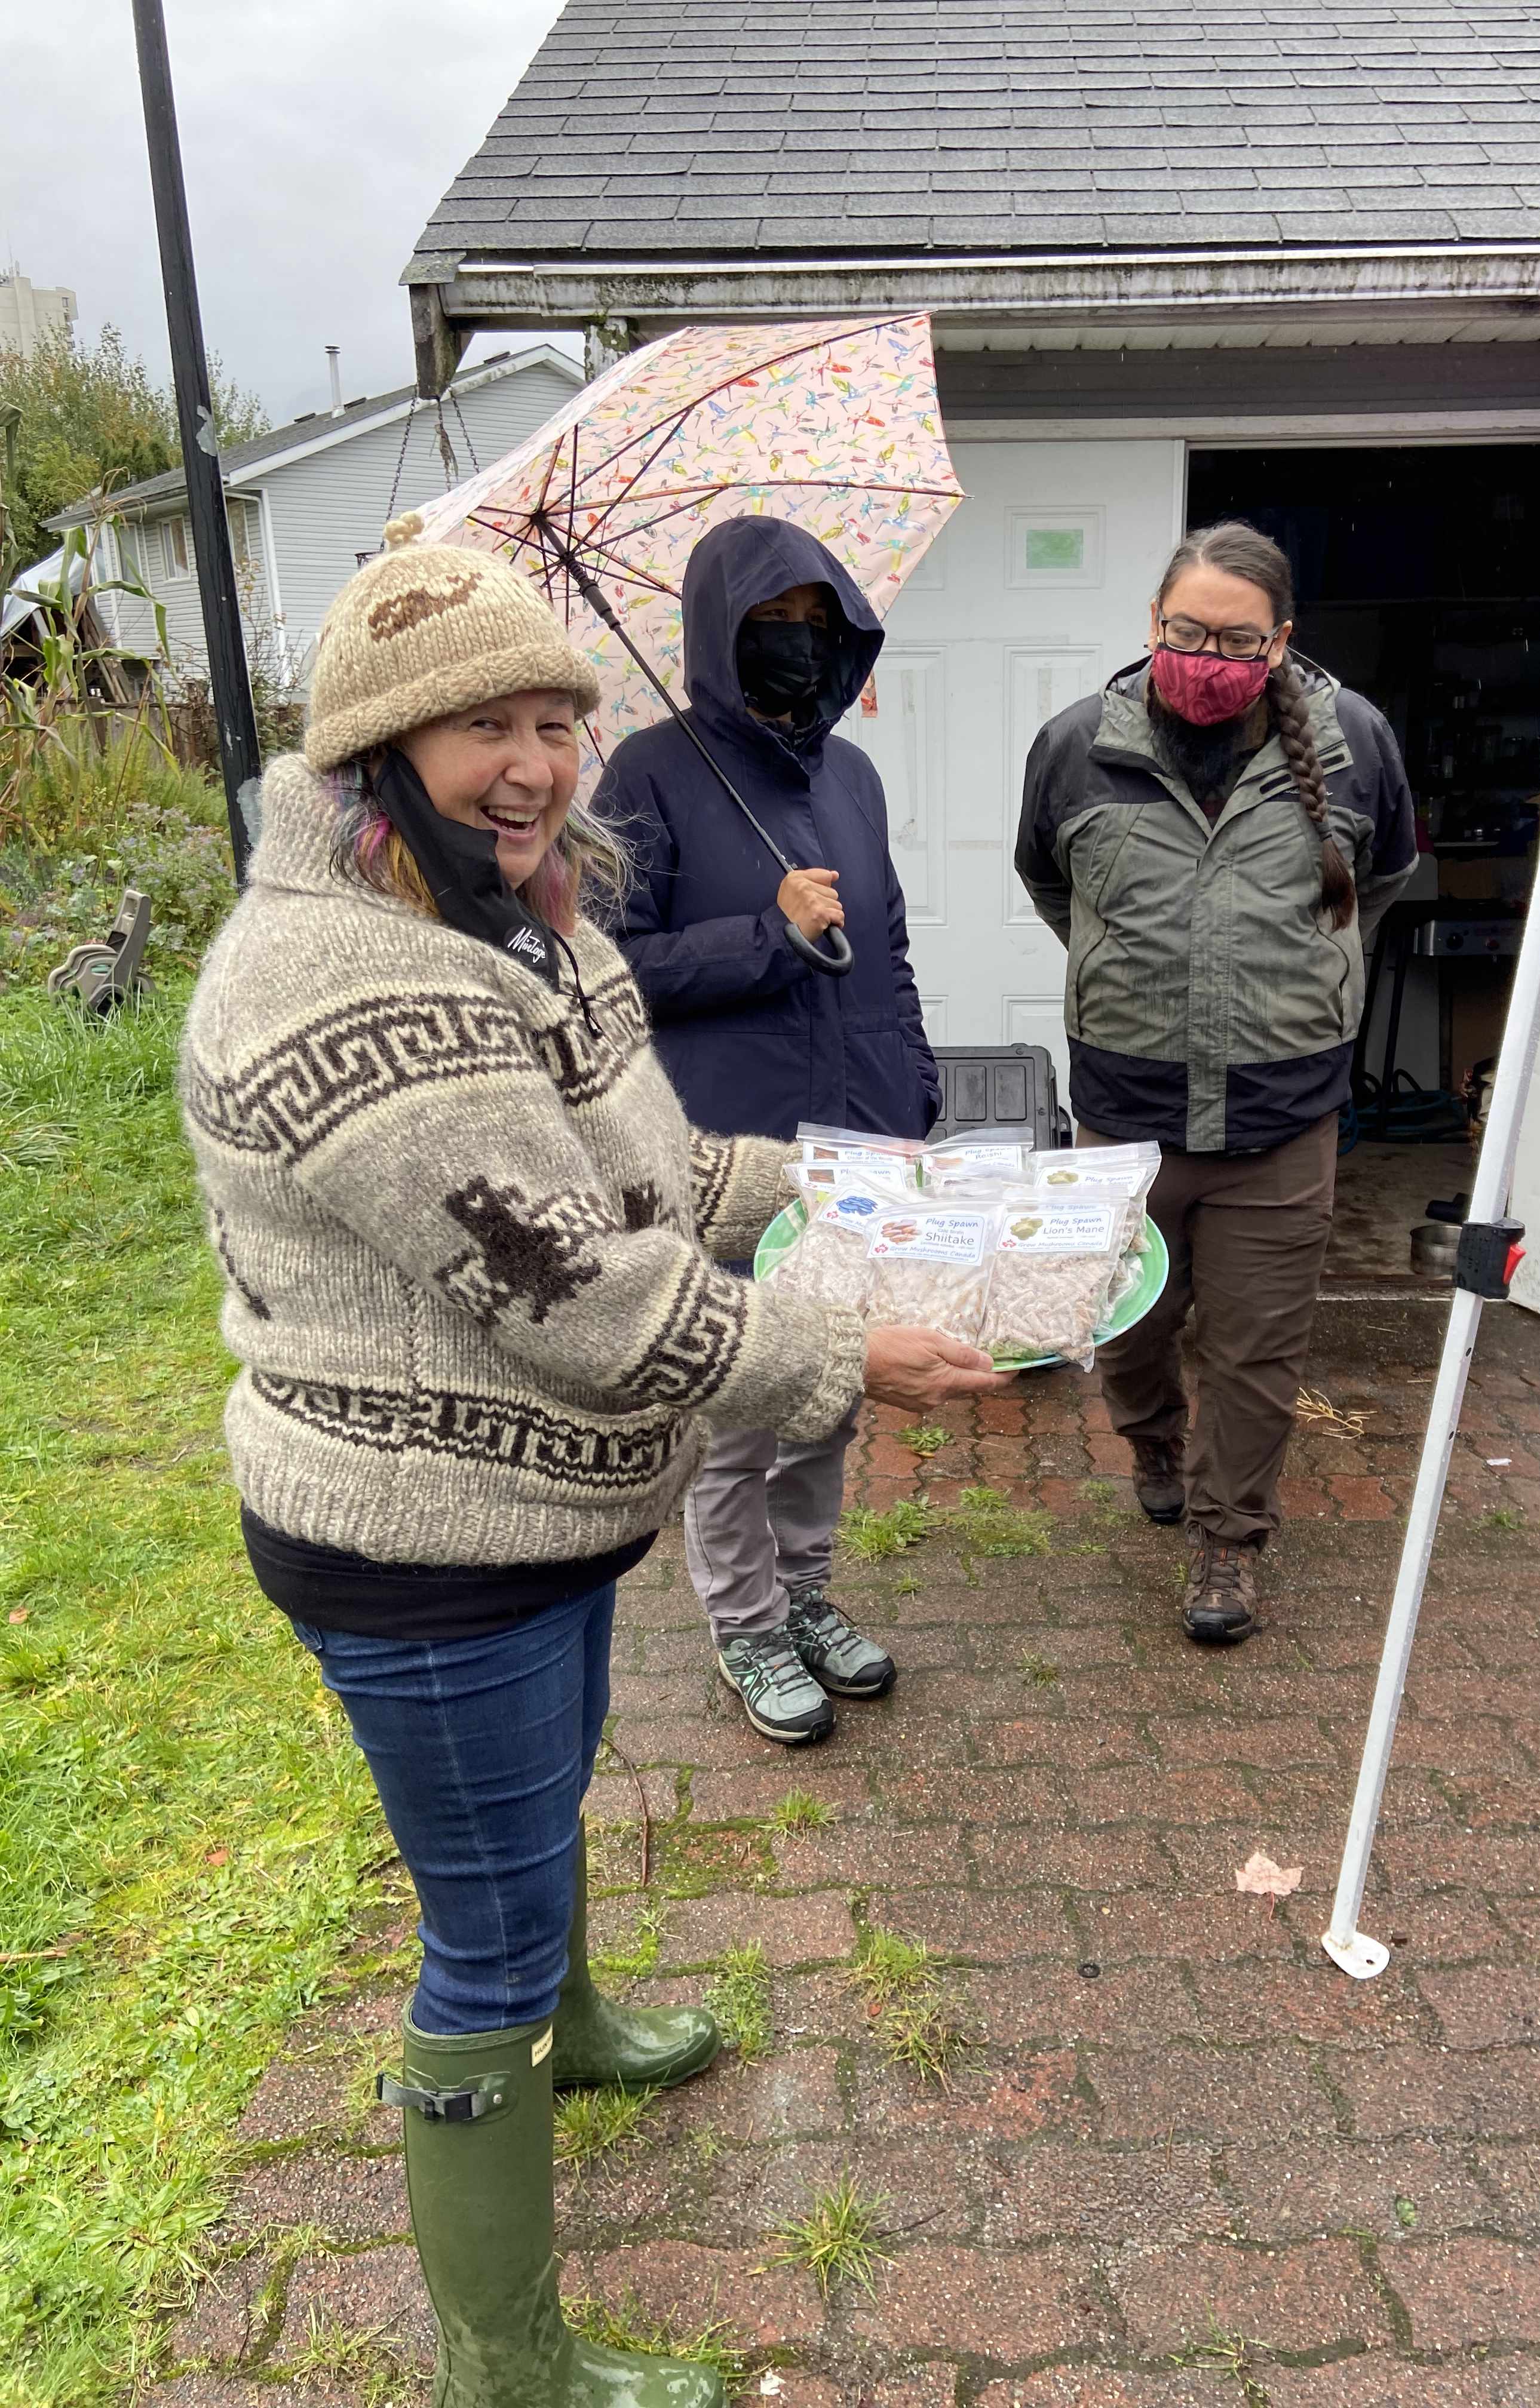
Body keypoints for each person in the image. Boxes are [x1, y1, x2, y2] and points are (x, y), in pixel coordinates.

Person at [179, 520, 1005, 2408]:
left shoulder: (517, 915)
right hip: (421, 1541)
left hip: (535, 1519)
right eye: (485, 726)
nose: (538, 762)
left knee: (538, 1817)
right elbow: (582, 1293)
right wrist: (843, 1344)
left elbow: (669, 1175)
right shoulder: (348, 979)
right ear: (377, 745)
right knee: (477, 1932)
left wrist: (875, 1187)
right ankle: (508, 2360)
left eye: (557, 715)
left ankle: (576, 2006)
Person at [1015, 520, 1415, 1644]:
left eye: (1237, 639)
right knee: (1131, 1321)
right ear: (1150, 622)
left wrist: (1294, 983)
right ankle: (1151, 1440)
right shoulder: (1073, 747)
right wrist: (1132, 973)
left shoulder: (1355, 745)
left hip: (1280, 1116)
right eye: (1187, 630)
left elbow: (1378, 880)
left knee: (1256, 1346)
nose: (1209, 653)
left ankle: (1227, 1539)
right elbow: (1052, 885)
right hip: (1126, 1112)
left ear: (1279, 642)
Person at [603, 518, 940, 1746]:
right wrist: (767, 935)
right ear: (717, 635)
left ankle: (804, 1597)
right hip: (733, 1153)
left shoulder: (852, 777)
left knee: (831, 1395)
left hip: (858, 1139)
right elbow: (607, 968)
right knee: (744, 1405)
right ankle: (745, 1623)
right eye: (770, 628)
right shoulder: (647, 774)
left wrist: (914, 1093)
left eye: (817, 625)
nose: (799, 649)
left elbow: (889, 948)